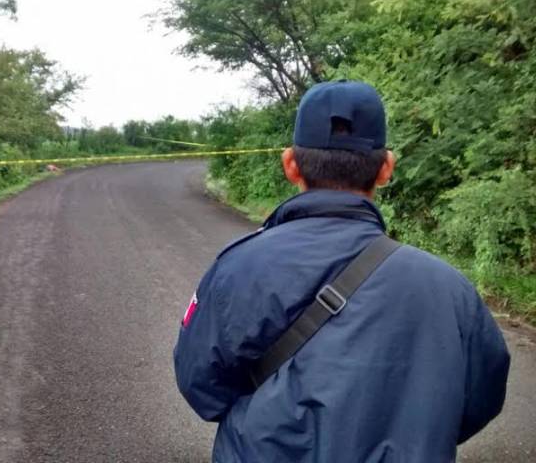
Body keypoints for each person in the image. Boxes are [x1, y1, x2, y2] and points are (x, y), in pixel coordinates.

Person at [173, 80, 510, 463]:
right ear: (386, 168)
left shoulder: (236, 268)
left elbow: (199, 381)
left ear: (290, 164)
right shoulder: (449, 288)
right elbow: (480, 397)